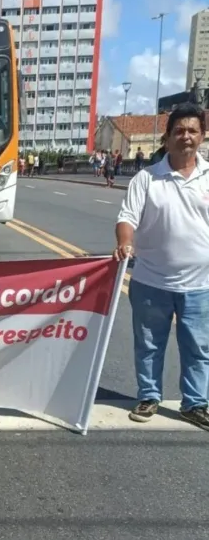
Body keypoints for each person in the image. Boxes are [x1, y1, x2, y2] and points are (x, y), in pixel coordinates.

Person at [113, 103, 209, 431]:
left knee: (198, 347)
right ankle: (149, 395)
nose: (186, 136)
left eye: (192, 131)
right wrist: (126, 242)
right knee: (149, 344)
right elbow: (127, 217)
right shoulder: (146, 178)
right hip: (151, 280)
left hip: (200, 285)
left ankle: (195, 403)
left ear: (202, 136)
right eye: (179, 131)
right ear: (167, 138)